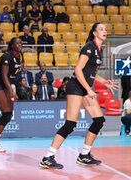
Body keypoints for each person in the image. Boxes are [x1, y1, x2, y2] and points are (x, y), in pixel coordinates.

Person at [39, 22, 118, 169]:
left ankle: (84, 155)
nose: (104, 31)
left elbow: (91, 73)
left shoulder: (99, 50)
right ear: (94, 33)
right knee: (70, 124)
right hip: (76, 87)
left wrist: (104, 82)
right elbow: (78, 70)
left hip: (85, 88)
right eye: (101, 29)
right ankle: (48, 157)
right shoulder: (89, 47)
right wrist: (89, 89)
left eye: (105, 29)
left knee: (99, 121)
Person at [0, 37, 23, 152]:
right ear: (12, 45)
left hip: (7, 85)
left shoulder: (19, 56)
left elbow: (12, 76)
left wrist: (12, 89)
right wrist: (11, 91)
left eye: (21, 43)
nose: (20, 45)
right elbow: (4, 75)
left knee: (9, 114)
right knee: (6, 114)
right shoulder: (7, 56)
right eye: (17, 43)